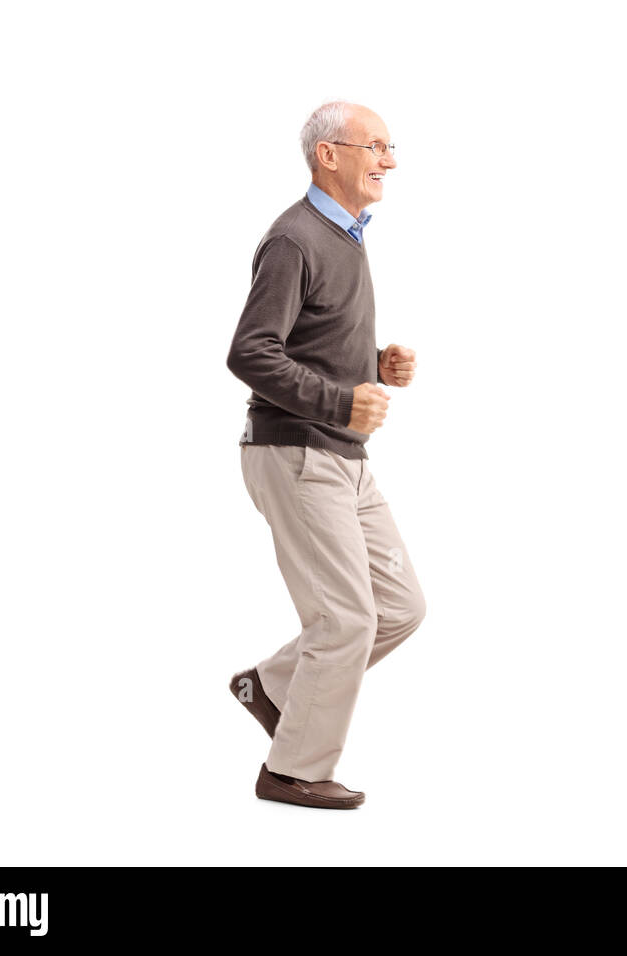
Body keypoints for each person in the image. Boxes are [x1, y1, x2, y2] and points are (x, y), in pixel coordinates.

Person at [225, 100, 425, 809]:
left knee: (399, 607)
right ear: (328, 156)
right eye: (375, 146)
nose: (389, 160)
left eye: (390, 147)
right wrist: (343, 402)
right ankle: (294, 771)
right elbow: (250, 353)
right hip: (298, 453)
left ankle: (273, 686)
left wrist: (372, 363)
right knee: (346, 620)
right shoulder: (295, 238)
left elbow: (309, 343)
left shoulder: (345, 235)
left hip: (343, 454)